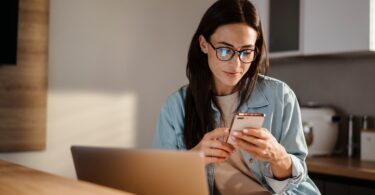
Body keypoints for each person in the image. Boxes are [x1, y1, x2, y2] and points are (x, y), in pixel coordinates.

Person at [153, 0, 320, 194]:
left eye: (246, 52)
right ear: (204, 44)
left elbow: (298, 183)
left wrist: (278, 157)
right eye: (225, 50)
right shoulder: (176, 106)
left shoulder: (281, 96)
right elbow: (159, 181)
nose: (236, 64)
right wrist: (194, 158)